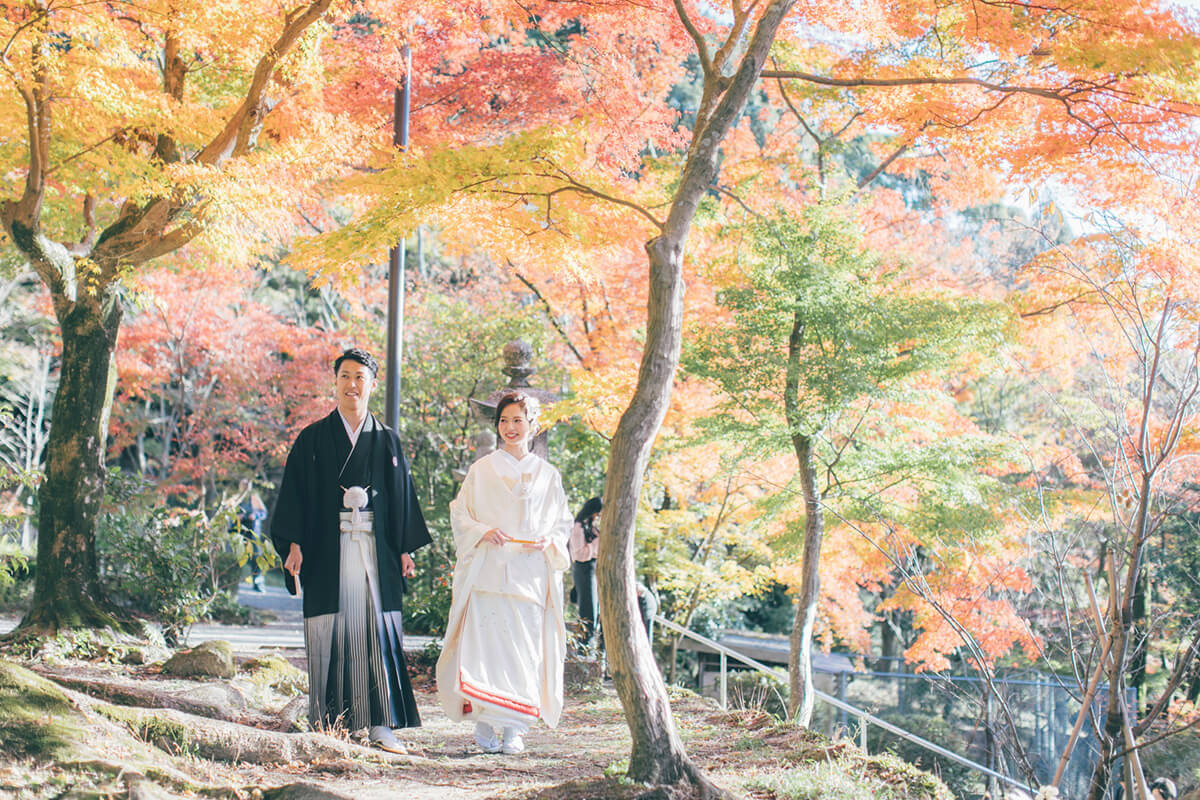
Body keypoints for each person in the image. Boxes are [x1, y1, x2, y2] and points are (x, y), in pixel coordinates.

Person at [270, 348, 432, 754]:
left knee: (376, 630)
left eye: (360, 377)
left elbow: (401, 498)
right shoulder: (312, 439)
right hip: (328, 549)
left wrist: (405, 548)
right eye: (345, 376)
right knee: (334, 628)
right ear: (335, 381)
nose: (352, 384)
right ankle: (330, 720)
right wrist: (293, 543)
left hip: (376, 549)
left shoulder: (387, 440)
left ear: (372, 384)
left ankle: (381, 723)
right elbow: (295, 496)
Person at [436, 390, 572, 756]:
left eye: (518, 420)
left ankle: (514, 730)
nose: (510, 428)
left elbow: (562, 522)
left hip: (529, 575)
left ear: (532, 425)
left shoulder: (548, 475)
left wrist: (551, 541)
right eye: (504, 420)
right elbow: (460, 514)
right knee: (486, 653)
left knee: (523, 654)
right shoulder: (481, 470)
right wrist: (482, 531)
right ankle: (483, 729)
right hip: (489, 572)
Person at [568, 497, 601, 654]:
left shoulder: (592, 527)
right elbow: (580, 554)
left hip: (594, 569)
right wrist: (594, 544)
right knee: (588, 610)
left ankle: (590, 646)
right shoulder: (578, 527)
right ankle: (584, 648)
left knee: (596, 610)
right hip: (584, 568)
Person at [237, 480, 268, 592]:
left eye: (247, 486)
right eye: (243, 486)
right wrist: (238, 517)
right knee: (238, 556)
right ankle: (234, 582)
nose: (245, 488)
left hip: (253, 531)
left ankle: (258, 583)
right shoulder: (238, 498)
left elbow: (263, 512)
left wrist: (255, 515)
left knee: (256, 557)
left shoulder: (254, 498)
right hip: (239, 532)